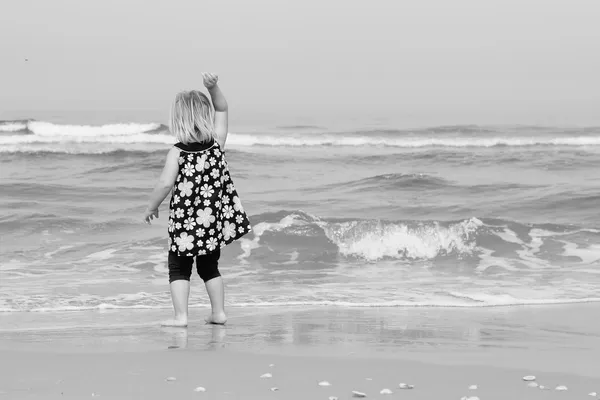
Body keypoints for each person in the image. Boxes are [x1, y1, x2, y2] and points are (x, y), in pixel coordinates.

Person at [143, 73, 251, 327]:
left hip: (184, 225)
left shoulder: (177, 152)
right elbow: (222, 107)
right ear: (205, 116)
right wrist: (213, 89)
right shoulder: (217, 145)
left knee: (178, 268)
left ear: (178, 120)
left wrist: (152, 206)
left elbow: (165, 184)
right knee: (209, 267)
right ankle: (218, 313)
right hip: (211, 221)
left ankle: (181, 317)